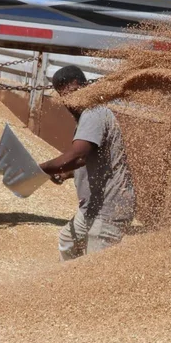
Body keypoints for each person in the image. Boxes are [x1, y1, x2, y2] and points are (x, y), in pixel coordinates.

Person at [39, 66, 135, 261]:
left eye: (75, 92)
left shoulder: (93, 113)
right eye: (65, 96)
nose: (71, 100)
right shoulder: (88, 116)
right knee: (67, 239)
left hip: (109, 209)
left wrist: (39, 169)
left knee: (95, 266)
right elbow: (91, 160)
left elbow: (78, 156)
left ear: (86, 88)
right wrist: (66, 173)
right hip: (92, 208)